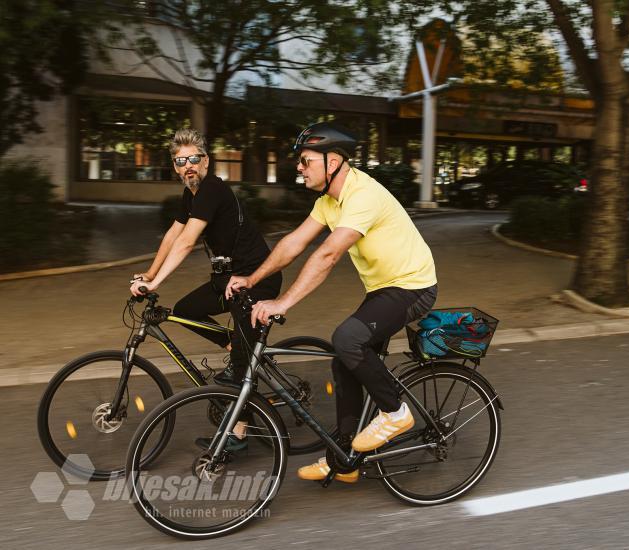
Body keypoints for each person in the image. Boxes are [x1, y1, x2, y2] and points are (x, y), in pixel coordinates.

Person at [225, 122, 437, 483]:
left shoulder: (362, 195)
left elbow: (328, 254)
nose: (300, 167)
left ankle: (396, 412)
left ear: (333, 162)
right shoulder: (328, 202)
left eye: (306, 161)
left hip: (412, 287)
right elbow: (293, 243)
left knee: (347, 339)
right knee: (344, 363)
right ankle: (346, 459)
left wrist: (283, 303)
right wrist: (252, 279)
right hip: (383, 289)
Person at [130, 128, 282, 450]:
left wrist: (156, 284)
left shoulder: (212, 189)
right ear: (175, 166)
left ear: (206, 161)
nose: (187, 166)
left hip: (255, 278)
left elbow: (186, 243)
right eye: (180, 161)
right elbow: (173, 235)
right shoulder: (192, 195)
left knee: (238, 370)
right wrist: (149, 272)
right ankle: (236, 346)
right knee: (185, 311)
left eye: (193, 159)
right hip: (225, 280)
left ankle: (239, 432)